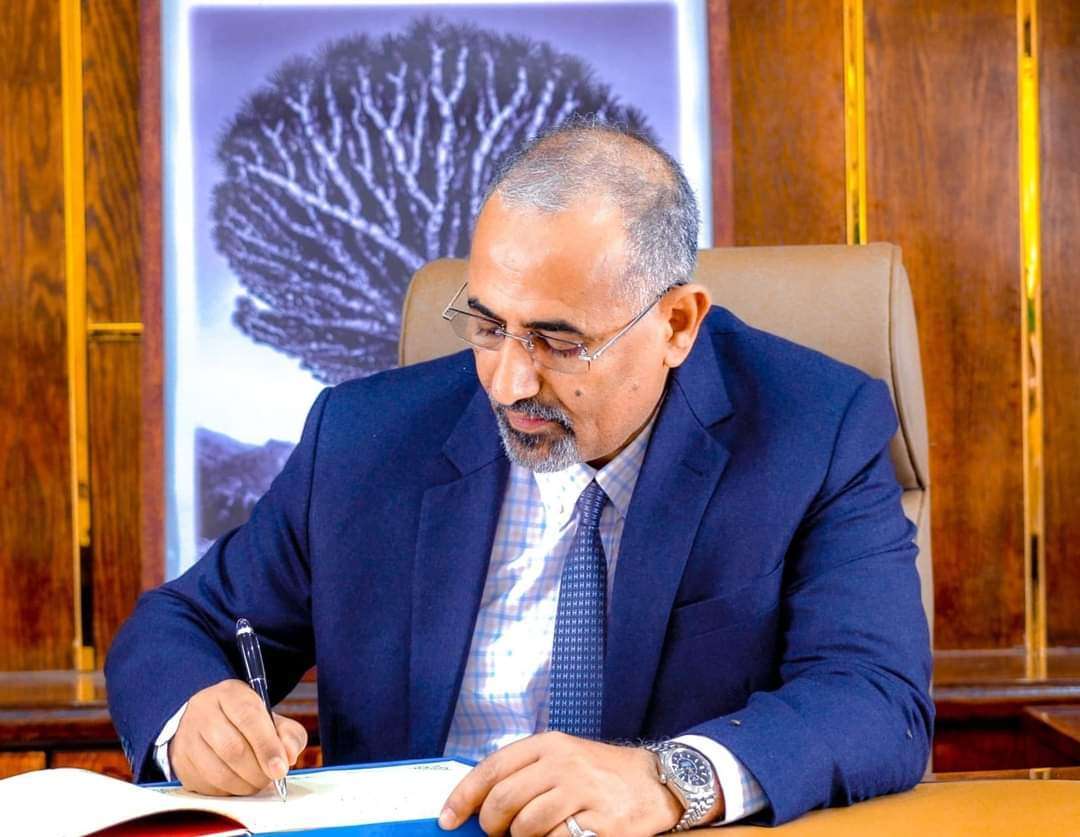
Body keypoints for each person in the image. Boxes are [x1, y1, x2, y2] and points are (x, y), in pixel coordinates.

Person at [106, 121, 933, 835]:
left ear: (677, 323)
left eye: (557, 341)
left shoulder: (813, 429)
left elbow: (875, 696)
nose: (507, 383)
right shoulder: (363, 441)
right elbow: (179, 625)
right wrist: (194, 716)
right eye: (487, 325)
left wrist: (666, 777)